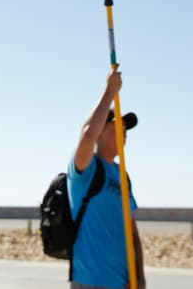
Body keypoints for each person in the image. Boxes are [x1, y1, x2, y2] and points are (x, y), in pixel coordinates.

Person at [68, 69, 146, 289]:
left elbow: (132, 230)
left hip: (122, 282)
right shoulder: (86, 169)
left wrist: (139, 277)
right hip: (90, 282)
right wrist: (110, 91)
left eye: (125, 131)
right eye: (115, 129)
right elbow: (86, 135)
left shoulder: (123, 175)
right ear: (100, 133)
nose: (123, 134)